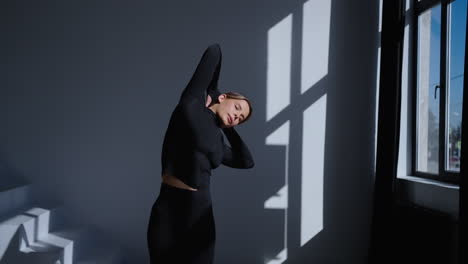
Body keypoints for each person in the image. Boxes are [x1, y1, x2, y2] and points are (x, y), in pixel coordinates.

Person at [147, 43, 255, 264]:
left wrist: (230, 128)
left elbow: (246, 161)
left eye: (241, 118)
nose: (237, 116)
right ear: (224, 97)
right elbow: (214, 51)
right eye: (237, 108)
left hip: (200, 211)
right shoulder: (191, 105)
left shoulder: (217, 140)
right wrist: (213, 91)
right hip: (169, 206)